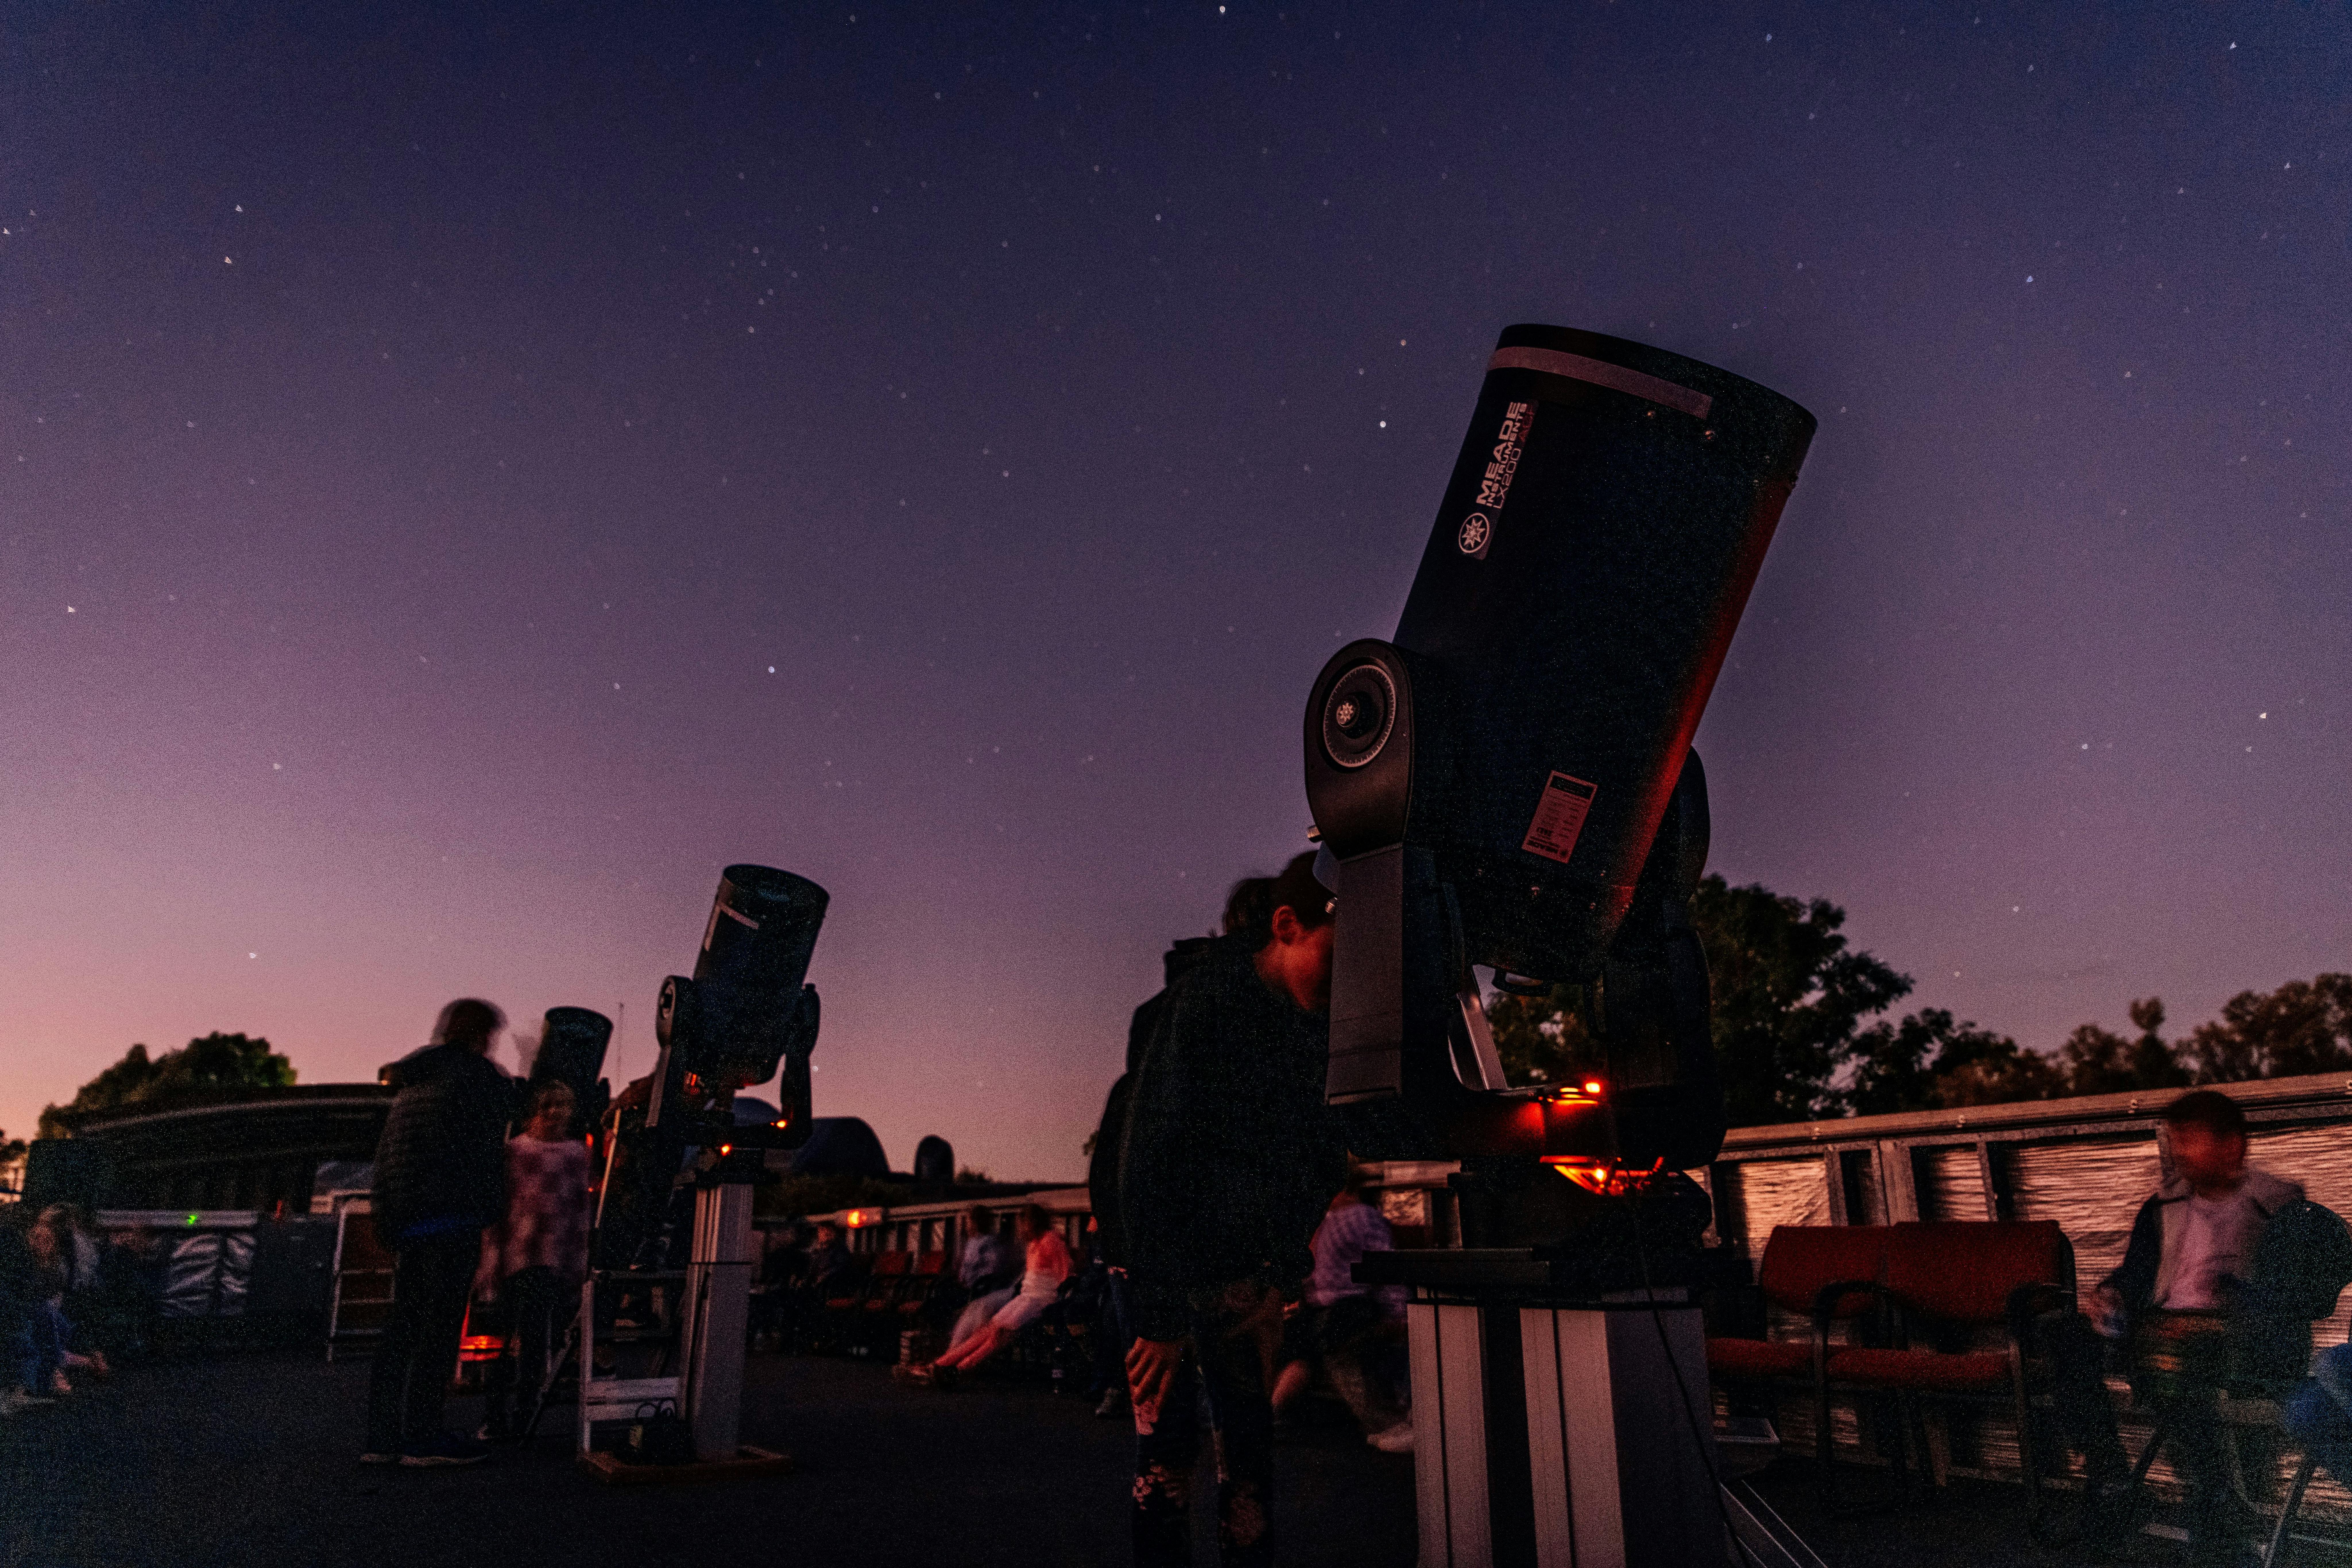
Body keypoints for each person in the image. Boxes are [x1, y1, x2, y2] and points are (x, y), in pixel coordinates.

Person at [1119, 851, 1347, 1567]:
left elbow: (1316, 1159)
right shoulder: (1206, 1005)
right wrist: (1158, 1316)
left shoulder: (1312, 1027)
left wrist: (1280, 1272)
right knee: (1166, 1463)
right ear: (1286, 927)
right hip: (1171, 1278)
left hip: (1247, 1283)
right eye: (1334, 957)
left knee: (1248, 1467)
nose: (1345, 982)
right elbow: (1153, 1156)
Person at [2057, 1090, 2351, 1564]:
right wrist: (2108, 1295)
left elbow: (2286, 1303)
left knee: (2175, 1361)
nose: (2178, 1153)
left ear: (2232, 1145)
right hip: (2159, 1331)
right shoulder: (2164, 1207)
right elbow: (2135, 1276)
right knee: (2066, 1338)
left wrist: (2208, 1322)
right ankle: (2111, 1477)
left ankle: (2215, 1505)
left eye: (2189, 1141)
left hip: (2242, 1341)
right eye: (2176, 1141)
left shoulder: (2279, 1208)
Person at [362, 998, 518, 1467]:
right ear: (481, 1034)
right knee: (439, 1330)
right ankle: (424, 1438)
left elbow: (391, 1156)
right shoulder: (478, 1077)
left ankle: (381, 1438)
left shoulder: (416, 1081)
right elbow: (491, 1145)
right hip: (452, 1217)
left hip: (407, 1219)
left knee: (402, 1328)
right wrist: (492, 1207)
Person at [475, 1080, 594, 1440]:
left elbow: (579, 1211)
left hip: (549, 1257)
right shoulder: (515, 1151)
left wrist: (578, 1261)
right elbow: (499, 1208)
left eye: (563, 1105)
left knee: (534, 1342)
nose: (556, 1113)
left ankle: (521, 1416)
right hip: (517, 1254)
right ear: (536, 1111)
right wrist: (490, 1261)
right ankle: (498, 1417)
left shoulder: (576, 1153)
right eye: (549, 1106)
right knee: (506, 1343)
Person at [1272, 1170, 1411, 1450]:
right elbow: (1385, 1266)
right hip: (1351, 1308)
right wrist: (1398, 1308)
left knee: (1307, 1362)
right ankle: (1388, 1425)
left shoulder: (1320, 1223)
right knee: (1363, 1366)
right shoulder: (1362, 1217)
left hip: (1318, 1311)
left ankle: (1268, 1417)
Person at [908, 1204, 1071, 1383]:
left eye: (1024, 1223)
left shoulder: (1052, 1241)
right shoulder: (1033, 1243)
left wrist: (1062, 1300)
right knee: (989, 1329)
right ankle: (942, 1364)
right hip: (1026, 1296)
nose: (1021, 1228)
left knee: (1001, 1333)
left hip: (1042, 1299)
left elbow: (1066, 1273)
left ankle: (961, 1369)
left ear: (1034, 1222)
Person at [944, 1206, 1017, 1354]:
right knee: (939, 1294)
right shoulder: (970, 1243)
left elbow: (993, 1269)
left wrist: (973, 1281)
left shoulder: (989, 1243)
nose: (967, 1225)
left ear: (976, 1223)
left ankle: (955, 1347)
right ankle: (946, 1343)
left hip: (977, 1289)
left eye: (969, 1221)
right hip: (964, 1286)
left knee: (943, 1300)